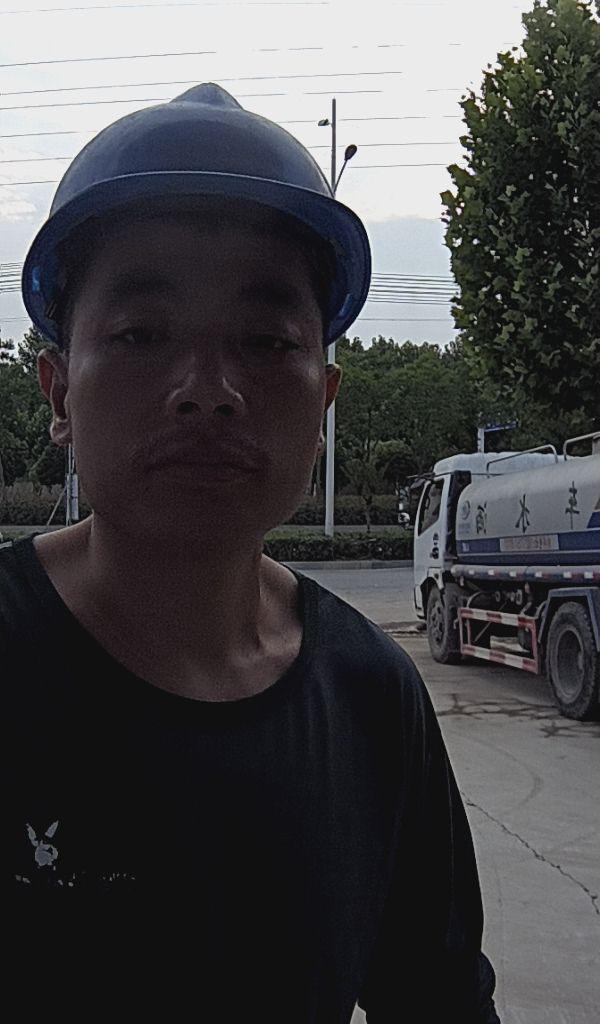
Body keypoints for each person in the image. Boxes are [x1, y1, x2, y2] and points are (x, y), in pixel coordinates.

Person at [2, 83, 501, 1022]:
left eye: (267, 342)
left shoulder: (370, 699)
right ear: (59, 390)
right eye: (142, 334)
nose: (208, 390)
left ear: (324, 401)